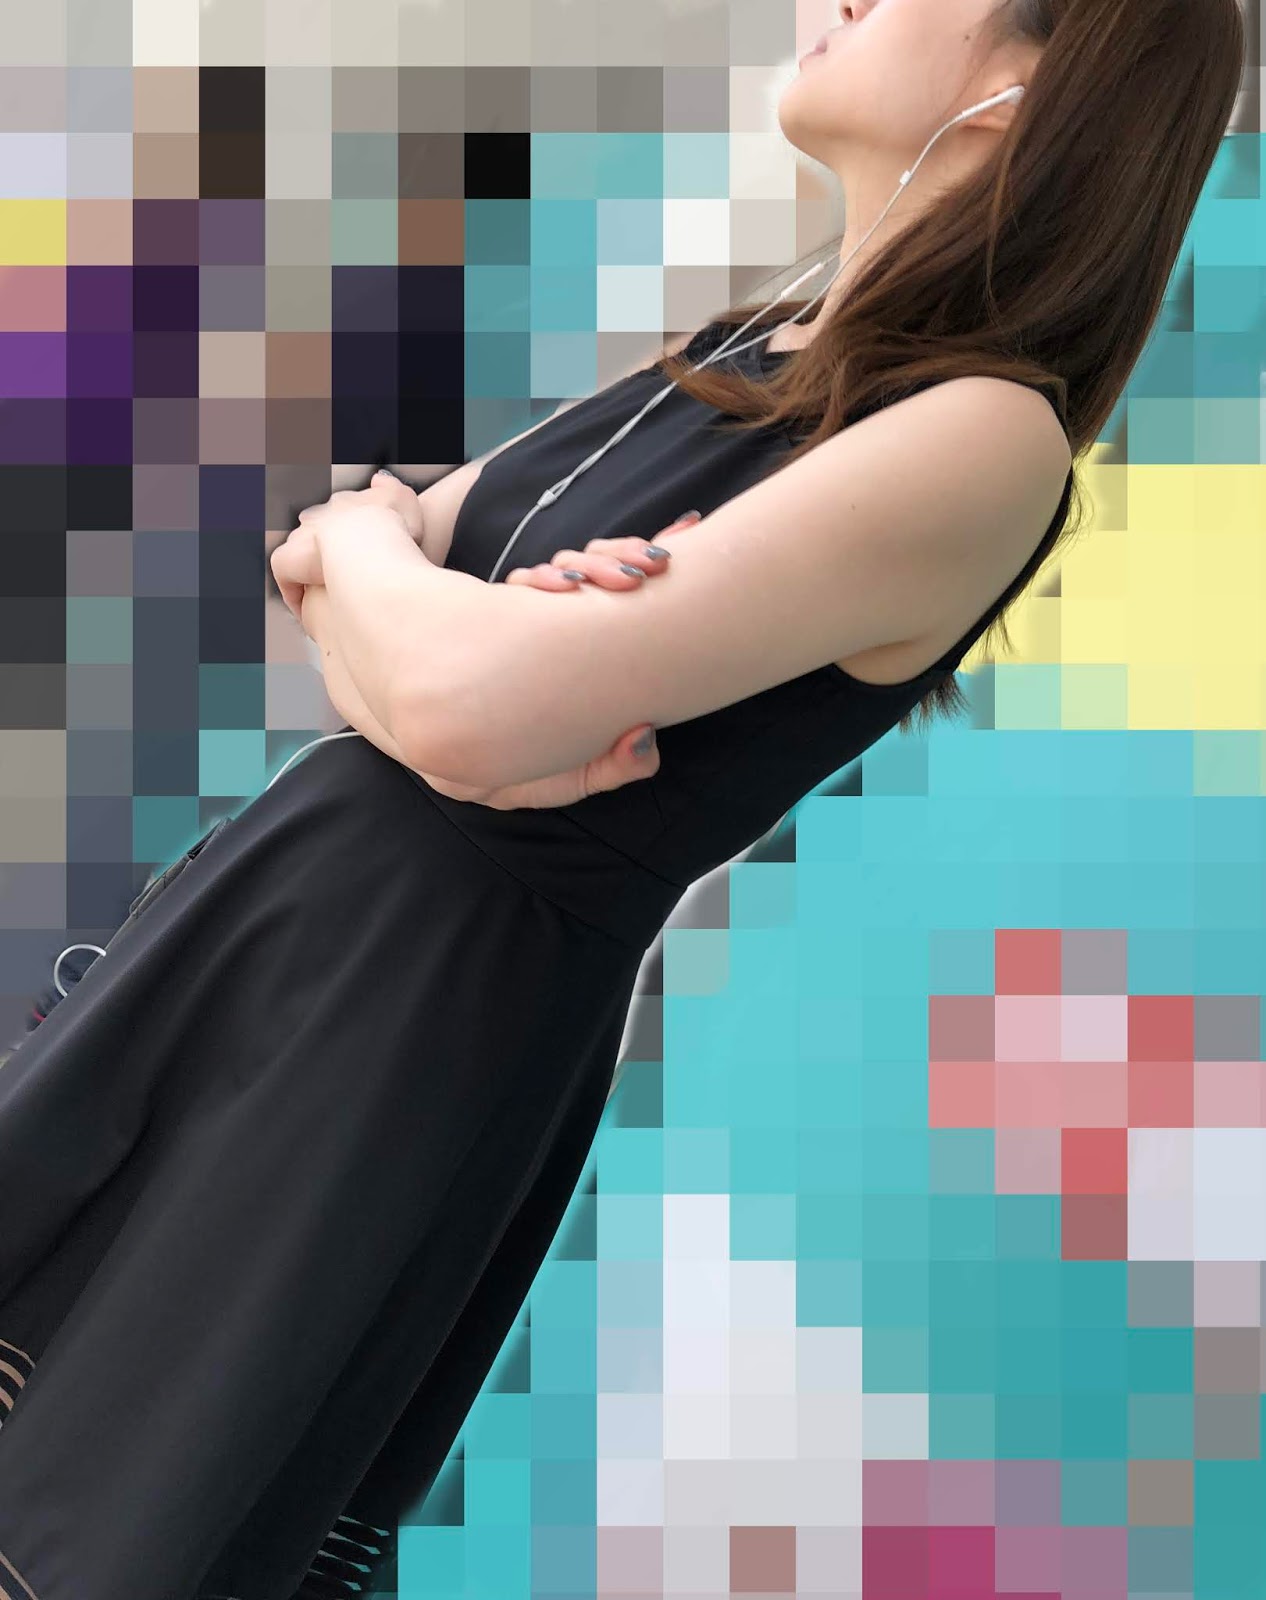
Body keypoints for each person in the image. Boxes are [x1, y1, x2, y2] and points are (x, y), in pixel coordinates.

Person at [0, 0, 1244, 1596]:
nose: (840, 0)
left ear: (1024, 82)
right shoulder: (740, 356)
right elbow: (338, 568)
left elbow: (445, 685)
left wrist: (433, 619)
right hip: (283, 931)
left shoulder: (982, 432)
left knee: (103, 1503)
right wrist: (422, 600)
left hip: (409, 1010)